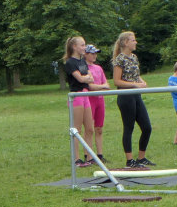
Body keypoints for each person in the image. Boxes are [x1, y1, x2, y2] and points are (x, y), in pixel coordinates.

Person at [112, 31, 154, 168]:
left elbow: (136, 75)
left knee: (147, 127)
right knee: (129, 127)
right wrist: (134, 84)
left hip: (136, 95)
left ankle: (141, 158)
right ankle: (129, 160)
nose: (136, 42)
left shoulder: (134, 57)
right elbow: (117, 81)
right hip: (125, 96)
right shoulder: (120, 59)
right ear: (125, 42)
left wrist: (141, 81)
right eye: (133, 40)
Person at [63, 36, 107, 167]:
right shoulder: (70, 63)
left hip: (85, 95)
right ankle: (77, 159)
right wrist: (85, 78)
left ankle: (89, 156)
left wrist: (86, 77)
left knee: (90, 129)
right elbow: (81, 79)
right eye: (82, 45)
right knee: (77, 129)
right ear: (74, 47)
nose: (84, 47)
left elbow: (90, 78)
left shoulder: (82, 61)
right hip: (76, 96)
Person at [84, 44, 109, 163]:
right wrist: (101, 87)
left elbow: (107, 84)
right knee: (89, 128)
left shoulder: (99, 68)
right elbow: (90, 86)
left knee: (99, 128)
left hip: (100, 99)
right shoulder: (83, 67)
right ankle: (87, 154)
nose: (94, 56)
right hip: (90, 99)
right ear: (86, 54)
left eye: (95, 53)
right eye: (92, 53)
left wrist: (100, 87)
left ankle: (100, 154)